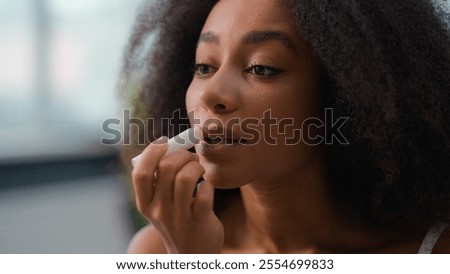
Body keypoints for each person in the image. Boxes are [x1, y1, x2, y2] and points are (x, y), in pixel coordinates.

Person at [119, 0, 450, 253]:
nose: (211, 94)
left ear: (345, 92)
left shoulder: (433, 252)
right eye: (204, 66)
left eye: (261, 68)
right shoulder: (158, 250)